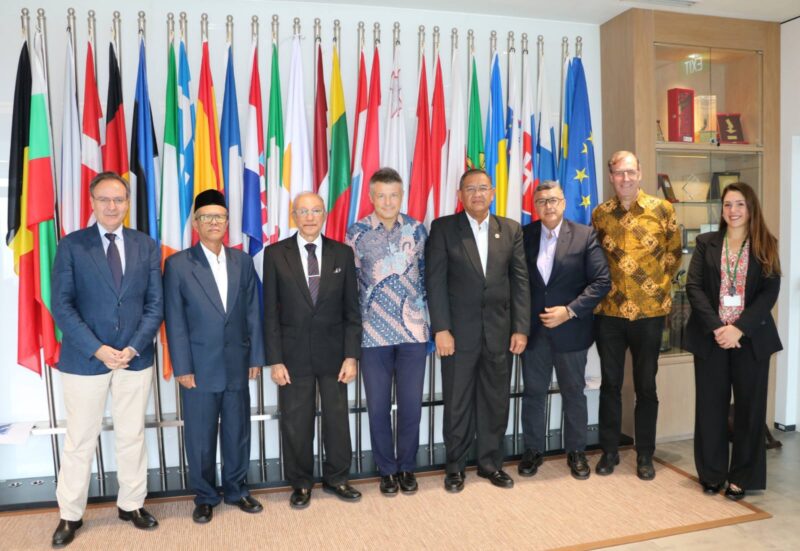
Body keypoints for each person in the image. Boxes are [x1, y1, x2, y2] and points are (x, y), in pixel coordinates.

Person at [50, 172, 163, 547]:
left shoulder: (146, 245)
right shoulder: (71, 245)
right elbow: (62, 306)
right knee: (80, 439)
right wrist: (97, 347)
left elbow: (154, 304)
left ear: (127, 203)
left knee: (132, 435)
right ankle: (70, 514)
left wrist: (132, 346)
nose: (112, 206)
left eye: (118, 200)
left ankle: (131, 504)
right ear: (92, 202)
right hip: (85, 360)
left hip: (135, 356)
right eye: (104, 200)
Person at [164, 189, 265, 523]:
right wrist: (182, 366)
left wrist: (256, 357)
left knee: (237, 431)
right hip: (199, 367)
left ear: (227, 222)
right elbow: (174, 320)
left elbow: (253, 312)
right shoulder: (178, 265)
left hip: (237, 362)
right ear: (196, 223)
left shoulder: (243, 261)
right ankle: (205, 495)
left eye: (219, 216)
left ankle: (237, 489)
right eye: (206, 216)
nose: (213, 222)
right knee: (201, 435)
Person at [426, 168, 530, 492]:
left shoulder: (510, 229)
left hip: (500, 333)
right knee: (457, 402)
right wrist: (441, 328)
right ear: (460, 195)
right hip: (457, 335)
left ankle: (489, 464)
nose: (477, 194)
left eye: (483, 188)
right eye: (470, 189)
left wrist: (521, 328)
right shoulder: (443, 229)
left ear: (493, 191)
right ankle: (455, 467)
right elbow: (435, 282)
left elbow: (520, 282)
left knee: (495, 402)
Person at [263, 192, 362, 509]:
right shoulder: (276, 254)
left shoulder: (342, 254)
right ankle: (301, 483)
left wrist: (351, 355)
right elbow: (270, 313)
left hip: (335, 355)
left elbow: (352, 310)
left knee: (337, 419)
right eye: (303, 211)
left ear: (324, 215)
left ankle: (337, 478)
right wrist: (275, 360)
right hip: (292, 356)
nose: (309, 216)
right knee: (296, 421)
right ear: (293, 215)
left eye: (315, 210)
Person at [685, 182, 781, 501]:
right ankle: (712, 474)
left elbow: (769, 292)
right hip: (711, 338)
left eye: (739, 204)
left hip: (750, 339)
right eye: (727, 205)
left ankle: (742, 476)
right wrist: (718, 328)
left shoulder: (766, 244)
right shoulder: (706, 243)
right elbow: (694, 287)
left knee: (749, 410)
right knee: (710, 408)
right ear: (721, 209)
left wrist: (739, 328)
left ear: (750, 208)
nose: (733, 211)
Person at [591, 151, 682, 480]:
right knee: (610, 386)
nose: (625, 178)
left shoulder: (662, 209)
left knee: (646, 387)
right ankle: (609, 451)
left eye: (630, 172)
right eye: (618, 173)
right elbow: (595, 262)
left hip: (649, 314)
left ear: (640, 173)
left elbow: (674, 256)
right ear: (611, 176)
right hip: (610, 314)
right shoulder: (600, 214)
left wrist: (654, 290)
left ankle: (645, 454)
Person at [345, 168, 430, 496]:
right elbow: (350, 284)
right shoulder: (357, 233)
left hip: (412, 333)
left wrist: (431, 326)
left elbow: (425, 277)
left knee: (411, 404)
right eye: (380, 195)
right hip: (372, 335)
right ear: (370, 197)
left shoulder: (417, 229)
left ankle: (407, 466)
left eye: (393, 195)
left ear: (402, 195)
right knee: (378, 406)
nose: (387, 201)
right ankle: (386, 470)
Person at [519, 181, 610, 480]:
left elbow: (600, 282)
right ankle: (533, 451)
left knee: (574, 393)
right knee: (533, 394)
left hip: (571, 331)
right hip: (534, 332)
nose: (549, 206)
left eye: (554, 200)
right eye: (542, 200)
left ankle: (576, 452)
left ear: (564, 203)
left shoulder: (584, 235)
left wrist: (569, 311)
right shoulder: (524, 235)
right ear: (535, 205)